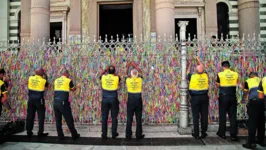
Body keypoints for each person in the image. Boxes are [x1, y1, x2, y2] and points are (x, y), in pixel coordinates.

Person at [53, 70, 80, 140]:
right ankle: (74, 135)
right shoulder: (68, 80)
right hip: (63, 103)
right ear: (66, 74)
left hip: (55, 102)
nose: (69, 76)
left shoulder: (56, 80)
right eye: (69, 74)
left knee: (58, 120)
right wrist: (77, 87)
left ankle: (60, 136)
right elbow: (73, 89)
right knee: (69, 119)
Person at [216, 61, 239, 141]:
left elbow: (218, 85)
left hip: (224, 97)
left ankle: (222, 133)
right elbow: (236, 83)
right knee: (233, 116)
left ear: (223, 67)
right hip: (233, 97)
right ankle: (233, 135)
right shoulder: (235, 74)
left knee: (222, 115)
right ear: (229, 66)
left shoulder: (220, 74)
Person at [187, 56, 209, 139]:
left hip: (195, 98)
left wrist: (189, 64)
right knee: (204, 115)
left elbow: (187, 72)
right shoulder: (205, 75)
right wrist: (198, 59)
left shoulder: (192, 76)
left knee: (195, 116)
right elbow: (202, 67)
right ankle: (203, 132)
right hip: (204, 97)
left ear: (195, 71)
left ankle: (196, 133)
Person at [242, 72, 265, 149]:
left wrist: (243, 99)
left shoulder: (248, 81)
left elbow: (245, 92)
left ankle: (251, 143)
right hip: (263, 102)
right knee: (261, 121)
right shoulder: (262, 80)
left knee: (252, 122)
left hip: (254, 102)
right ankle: (261, 140)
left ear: (251, 76)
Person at [26, 68, 49, 137]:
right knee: (41, 116)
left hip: (30, 100)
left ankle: (29, 131)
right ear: (42, 73)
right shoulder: (43, 80)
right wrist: (45, 76)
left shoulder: (30, 78)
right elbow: (47, 85)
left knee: (30, 116)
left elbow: (34, 75)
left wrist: (38, 73)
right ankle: (40, 132)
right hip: (39, 100)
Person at [125, 62, 145, 140]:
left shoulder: (128, 80)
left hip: (130, 100)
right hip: (138, 100)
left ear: (130, 75)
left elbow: (126, 74)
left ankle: (128, 135)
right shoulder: (140, 79)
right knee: (138, 118)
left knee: (129, 118)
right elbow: (140, 71)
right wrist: (135, 65)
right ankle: (138, 135)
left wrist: (128, 66)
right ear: (137, 74)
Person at [100, 65, 120, 139]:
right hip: (114, 99)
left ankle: (104, 134)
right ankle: (114, 134)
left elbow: (100, 74)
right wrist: (113, 72)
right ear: (114, 72)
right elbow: (118, 76)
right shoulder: (116, 78)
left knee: (104, 117)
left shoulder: (103, 77)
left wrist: (106, 69)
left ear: (107, 71)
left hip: (105, 99)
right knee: (114, 117)